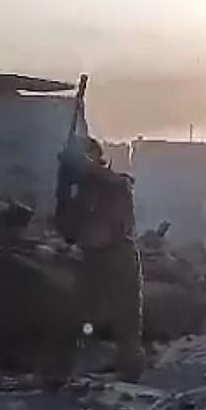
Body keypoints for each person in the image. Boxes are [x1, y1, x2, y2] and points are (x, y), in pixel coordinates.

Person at [55, 137, 145, 383]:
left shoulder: (116, 184)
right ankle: (61, 371)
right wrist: (63, 191)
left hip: (119, 257)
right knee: (76, 318)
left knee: (127, 319)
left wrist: (83, 166)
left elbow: (119, 185)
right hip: (91, 260)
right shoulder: (81, 194)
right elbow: (67, 231)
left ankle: (130, 369)